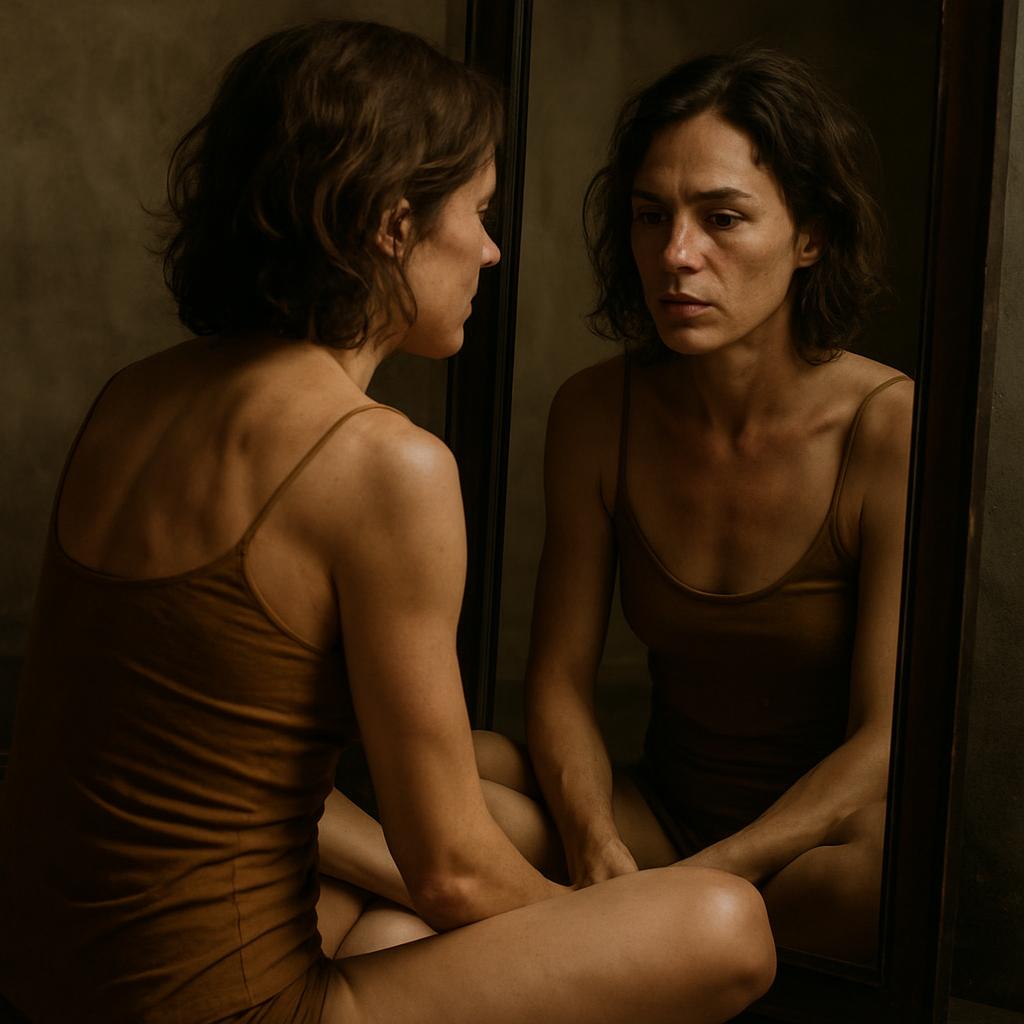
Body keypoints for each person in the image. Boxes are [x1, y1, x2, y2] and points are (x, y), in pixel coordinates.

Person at [0, 21, 775, 1024]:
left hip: (46, 982)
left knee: (399, 923)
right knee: (722, 924)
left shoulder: (131, 397)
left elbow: (191, 768)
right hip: (228, 1007)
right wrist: (597, 926)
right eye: (479, 213)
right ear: (390, 225)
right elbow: (453, 868)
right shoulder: (384, 465)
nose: (491, 250)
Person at [473, 48, 912, 964]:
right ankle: (658, 951)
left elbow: (885, 740)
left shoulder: (889, 426)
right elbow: (557, 684)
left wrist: (709, 879)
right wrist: (597, 845)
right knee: (460, 772)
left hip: (804, 857)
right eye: (651, 216)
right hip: (658, 823)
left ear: (810, 235)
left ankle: (646, 950)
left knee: (883, 878)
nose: (676, 255)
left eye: (722, 218)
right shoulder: (598, 411)